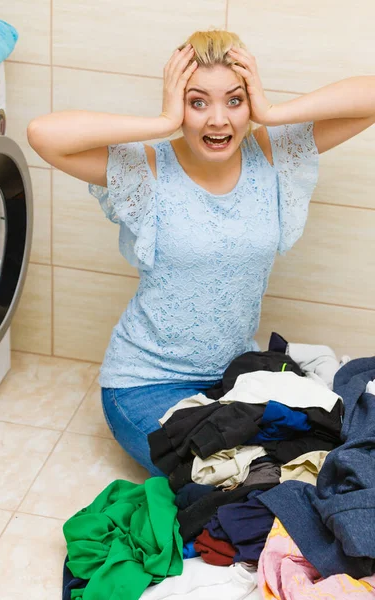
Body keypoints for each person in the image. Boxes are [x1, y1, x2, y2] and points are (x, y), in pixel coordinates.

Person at [27, 29, 375, 476]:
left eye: (234, 100)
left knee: (318, 454)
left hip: (231, 378)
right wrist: (162, 122)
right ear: (180, 107)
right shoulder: (147, 170)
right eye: (197, 102)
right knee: (234, 478)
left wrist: (270, 112)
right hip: (146, 385)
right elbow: (43, 134)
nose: (218, 120)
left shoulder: (271, 156)